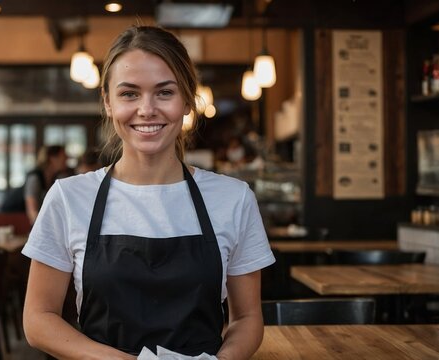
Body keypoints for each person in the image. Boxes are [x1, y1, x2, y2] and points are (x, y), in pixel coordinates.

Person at [22, 26, 275, 359]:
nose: (147, 109)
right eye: (129, 94)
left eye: (164, 92)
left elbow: (247, 318)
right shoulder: (68, 198)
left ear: (187, 100)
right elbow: (38, 319)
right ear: (108, 102)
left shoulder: (234, 198)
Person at [0, 145, 68, 225]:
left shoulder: (55, 178)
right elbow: (32, 212)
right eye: (63, 156)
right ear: (52, 158)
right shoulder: (35, 177)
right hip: (10, 218)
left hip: (23, 221)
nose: (66, 159)